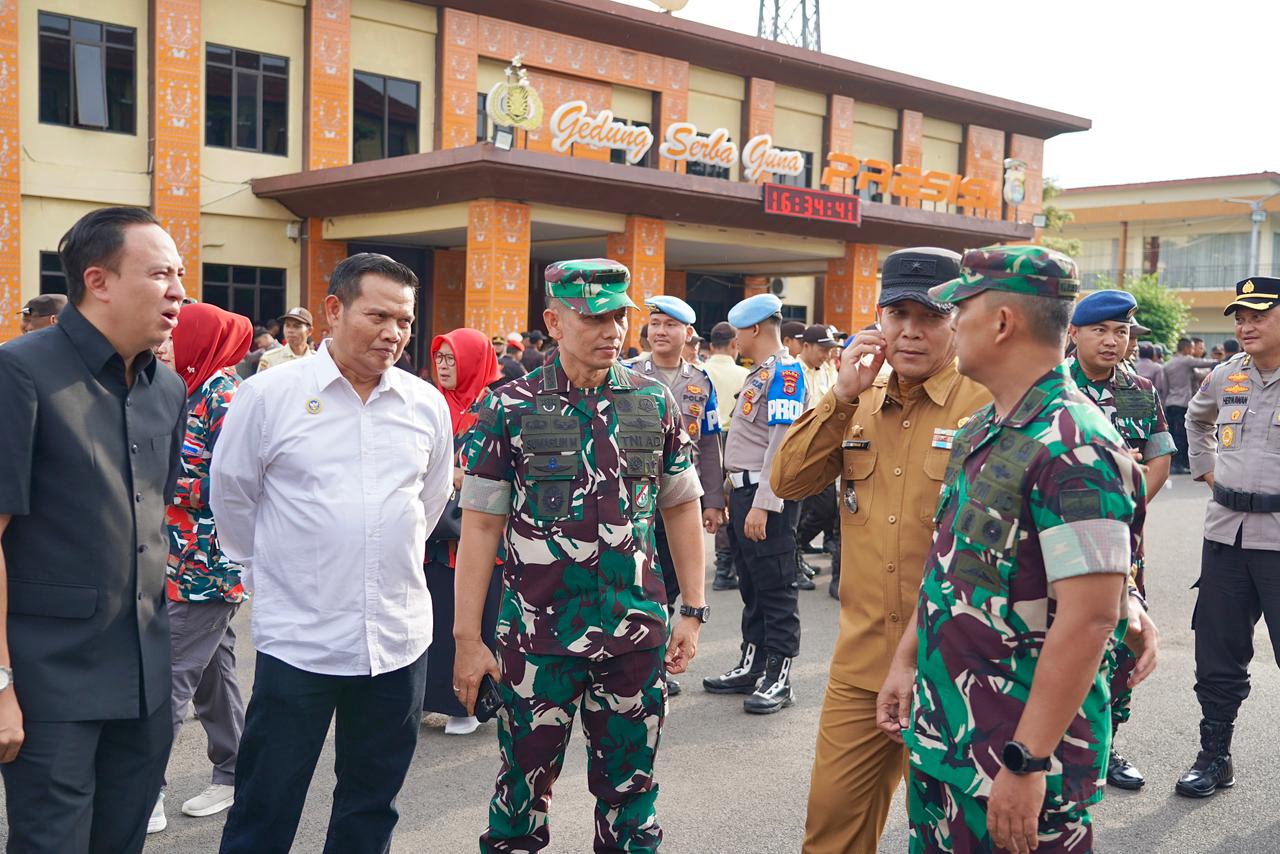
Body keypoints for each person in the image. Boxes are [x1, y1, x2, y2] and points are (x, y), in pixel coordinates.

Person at [877, 246, 1150, 854]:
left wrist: (1028, 763)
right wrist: (905, 660)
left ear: (1001, 322)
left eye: (959, 309)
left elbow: (1091, 617)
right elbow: (949, 567)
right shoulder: (983, 429)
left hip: (1020, 759)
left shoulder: (1077, 445)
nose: (952, 324)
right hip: (946, 735)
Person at [452, 258, 708, 852]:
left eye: (619, 315)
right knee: (521, 792)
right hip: (538, 643)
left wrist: (692, 608)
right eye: (593, 316)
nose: (611, 330)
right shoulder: (507, 408)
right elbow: (482, 527)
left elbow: (680, 507)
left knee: (631, 795)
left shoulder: (653, 402)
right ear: (554, 321)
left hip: (634, 636)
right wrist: (469, 638)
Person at [210, 253, 453, 854]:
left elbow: (428, 502)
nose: (393, 333)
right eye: (378, 315)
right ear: (334, 311)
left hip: (397, 640)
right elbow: (234, 498)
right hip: (301, 640)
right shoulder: (268, 396)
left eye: (405, 321)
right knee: (267, 801)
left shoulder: (425, 405)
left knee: (371, 805)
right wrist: (283, 574)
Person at [773, 247, 991, 852]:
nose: (912, 331)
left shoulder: (987, 404)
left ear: (957, 319)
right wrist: (840, 395)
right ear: (878, 318)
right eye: (898, 314)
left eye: (930, 315)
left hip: (956, 667)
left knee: (956, 836)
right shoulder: (858, 397)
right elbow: (788, 481)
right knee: (832, 829)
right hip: (864, 663)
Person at [0, 206, 188, 853]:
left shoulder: (169, 390)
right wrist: (0, 685)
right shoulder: (20, 373)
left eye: (181, 275)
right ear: (98, 280)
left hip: (144, 682)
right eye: (161, 273)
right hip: (50, 687)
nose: (179, 291)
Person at [1065, 289, 1172, 792]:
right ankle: (1056, 739)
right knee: (1062, 635)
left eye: (1122, 331)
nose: (1113, 341)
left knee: (1122, 639)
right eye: (1100, 331)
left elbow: (1159, 460)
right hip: (1060, 539)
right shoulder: (1050, 386)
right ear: (1074, 333)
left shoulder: (1141, 390)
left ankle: (1106, 744)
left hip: (1124, 542)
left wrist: (1123, 510)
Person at [1178, 276, 1280, 799]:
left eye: (1259, 315)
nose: (1246, 325)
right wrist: (1207, 472)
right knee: (1217, 656)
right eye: (1241, 316)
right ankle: (1214, 756)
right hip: (1226, 535)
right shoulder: (1225, 374)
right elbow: (1196, 423)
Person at [154, 302, 254, 832]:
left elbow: (238, 484)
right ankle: (235, 772)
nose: (164, 343)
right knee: (213, 674)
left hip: (208, 565)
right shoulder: (180, 390)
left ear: (199, 341)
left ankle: (144, 789)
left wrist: (167, 486)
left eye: (175, 335)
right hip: (173, 557)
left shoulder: (226, 396)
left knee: (166, 674)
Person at [703, 293, 807, 715]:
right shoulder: (759, 372)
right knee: (752, 583)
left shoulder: (785, 373)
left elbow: (780, 444)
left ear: (756, 330)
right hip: (745, 491)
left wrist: (765, 502)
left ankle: (779, 677)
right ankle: (754, 664)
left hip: (768, 495)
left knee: (777, 586)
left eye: (739, 334)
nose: (735, 342)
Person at [626, 295, 726, 696]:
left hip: (680, 500)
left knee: (668, 583)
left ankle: (661, 661)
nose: (661, 331)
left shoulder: (701, 382)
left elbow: (710, 443)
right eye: (655, 323)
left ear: (688, 333)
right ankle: (642, 664)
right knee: (639, 583)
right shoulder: (627, 373)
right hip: (635, 500)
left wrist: (714, 500)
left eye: (670, 325)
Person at [422, 328, 504, 736]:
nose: (444, 366)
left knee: (470, 615)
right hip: (433, 532)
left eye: (453, 359)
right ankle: (429, 697)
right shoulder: (431, 403)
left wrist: (456, 475)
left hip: (475, 531)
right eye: (440, 358)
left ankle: (468, 703)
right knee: (432, 616)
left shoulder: (495, 405)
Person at [792, 324, 842, 590]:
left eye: (829, 350)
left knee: (824, 511)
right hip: (799, 452)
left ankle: (796, 552)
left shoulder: (829, 371)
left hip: (823, 452)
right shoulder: (791, 371)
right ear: (806, 346)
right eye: (822, 349)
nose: (826, 355)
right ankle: (793, 564)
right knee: (794, 511)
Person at [703, 321, 749, 591]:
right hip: (735, 440)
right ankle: (725, 568)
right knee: (729, 502)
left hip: (705, 441)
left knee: (708, 502)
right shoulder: (745, 375)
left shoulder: (699, 371)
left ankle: (719, 567)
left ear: (710, 346)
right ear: (735, 344)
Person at [1162, 337, 1218, 474]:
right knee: (1182, 436)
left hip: (1170, 403)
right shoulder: (1186, 360)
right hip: (1182, 403)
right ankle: (1180, 464)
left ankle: (1173, 464)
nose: (1193, 351)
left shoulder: (1168, 364)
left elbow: (1165, 387)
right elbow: (1206, 363)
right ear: (1186, 348)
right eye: (1192, 348)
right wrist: (1222, 362)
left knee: (1173, 435)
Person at [256, 306, 314, 373]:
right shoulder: (269, 359)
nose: (290, 330)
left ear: (309, 331)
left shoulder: (317, 359)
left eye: (296, 326)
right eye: (287, 325)